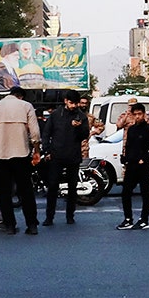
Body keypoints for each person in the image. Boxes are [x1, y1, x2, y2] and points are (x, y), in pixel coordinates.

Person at [0, 88, 42, 236]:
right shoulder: (26, 106)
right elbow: (35, 132)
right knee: (26, 191)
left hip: (0, 154)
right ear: (20, 96)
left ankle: (9, 225)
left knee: (4, 191)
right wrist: (36, 151)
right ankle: (32, 224)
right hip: (21, 153)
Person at [41, 93, 89, 226]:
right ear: (66, 101)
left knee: (72, 188)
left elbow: (85, 135)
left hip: (73, 156)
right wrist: (47, 150)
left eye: (76, 103)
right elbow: (46, 133)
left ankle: (70, 216)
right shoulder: (56, 115)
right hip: (56, 156)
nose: (74, 106)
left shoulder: (81, 116)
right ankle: (49, 217)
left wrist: (78, 127)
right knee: (52, 187)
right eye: (71, 103)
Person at [117, 104, 149, 230]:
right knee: (126, 192)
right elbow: (128, 146)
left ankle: (144, 219)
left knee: (145, 192)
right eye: (135, 114)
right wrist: (125, 158)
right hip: (131, 164)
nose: (137, 117)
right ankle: (128, 218)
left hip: (144, 165)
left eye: (139, 114)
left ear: (144, 114)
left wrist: (144, 158)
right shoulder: (131, 129)